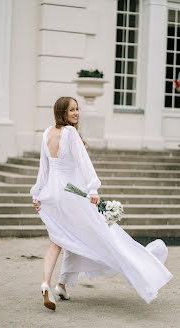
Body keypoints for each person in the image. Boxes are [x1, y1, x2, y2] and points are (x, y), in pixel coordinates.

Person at [30, 96, 173, 311]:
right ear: (62, 113)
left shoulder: (47, 133)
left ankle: (54, 284)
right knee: (102, 236)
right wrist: (93, 188)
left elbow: (44, 168)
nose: (76, 113)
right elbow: (83, 162)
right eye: (72, 110)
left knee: (61, 240)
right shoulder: (70, 133)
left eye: (77, 109)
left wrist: (37, 193)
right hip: (71, 196)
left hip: (52, 194)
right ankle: (137, 267)